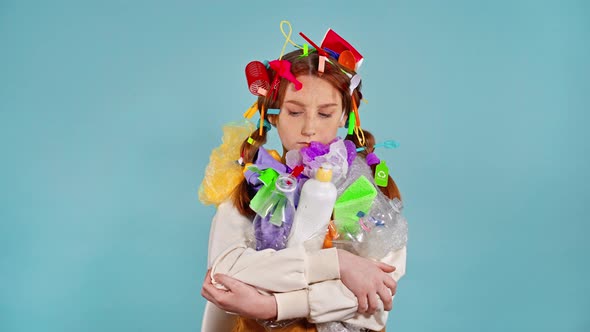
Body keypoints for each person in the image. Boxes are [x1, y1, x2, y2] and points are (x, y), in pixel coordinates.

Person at [199, 25, 408, 332]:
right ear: (272, 115)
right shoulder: (248, 188)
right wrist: (338, 264)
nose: (309, 128)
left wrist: (273, 305)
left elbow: (376, 296)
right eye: (294, 112)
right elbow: (224, 273)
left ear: (343, 117)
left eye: (325, 114)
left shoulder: (368, 189)